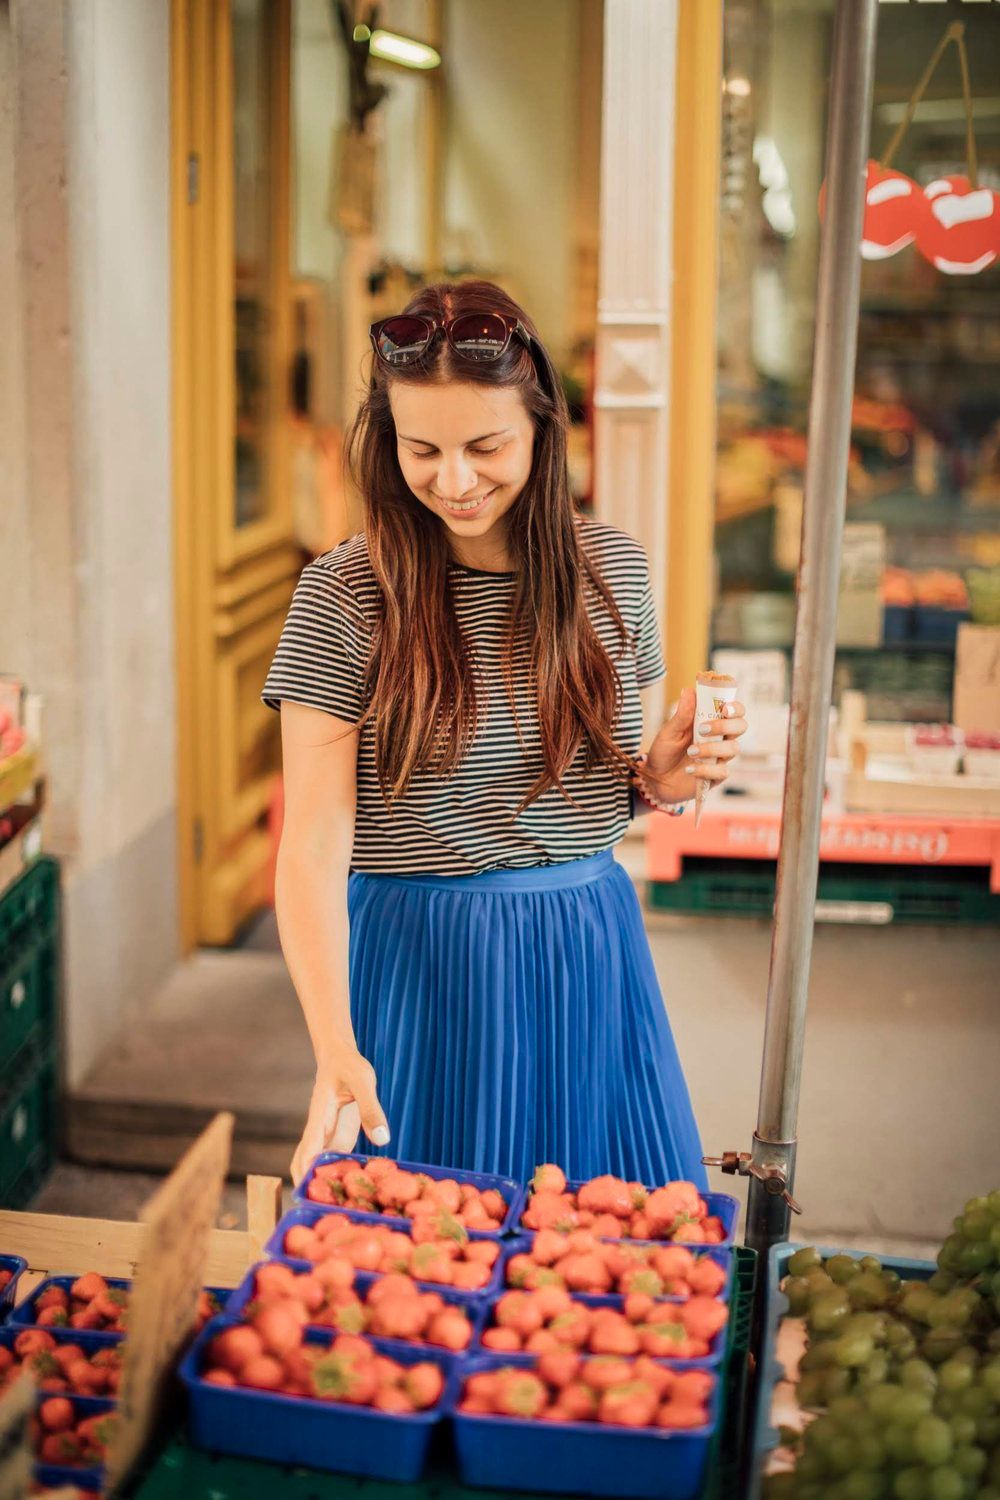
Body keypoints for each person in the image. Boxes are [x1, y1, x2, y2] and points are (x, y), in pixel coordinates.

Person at [261, 280, 747, 1189]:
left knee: (611, 1256)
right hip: (416, 960)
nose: (454, 479)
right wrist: (334, 1043)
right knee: (428, 1257)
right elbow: (316, 843)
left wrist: (672, 778)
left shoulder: (614, 573)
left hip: (584, 948)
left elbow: (634, 779)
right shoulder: (343, 595)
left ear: (542, 430)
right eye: (422, 448)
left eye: (486, 445)